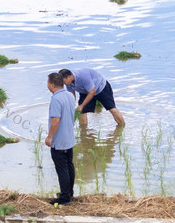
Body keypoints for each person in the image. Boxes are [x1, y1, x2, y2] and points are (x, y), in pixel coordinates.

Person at [45, 72, 77, 205]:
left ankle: (64, 198)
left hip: (59, 141)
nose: (47, 85)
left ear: (52, 84)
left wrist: (50, 136)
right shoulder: (69, 95)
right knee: (69, 166)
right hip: (69, 138)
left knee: (62, 169)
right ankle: (69, 193)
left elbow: (56, 120)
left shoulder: (56, 99)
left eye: (47, 83)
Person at [59, 68, 124, 128]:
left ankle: (122, 127)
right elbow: (72, 96)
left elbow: (92, 92)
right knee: (82, 112)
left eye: (64, 82)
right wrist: (71, 108)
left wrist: (81, 106)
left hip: (101, 88)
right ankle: (83, 132)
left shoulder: (83, 77)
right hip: (85, 91)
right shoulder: (68, 83)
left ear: (69, 77)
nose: (64, 84)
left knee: (112, 109)